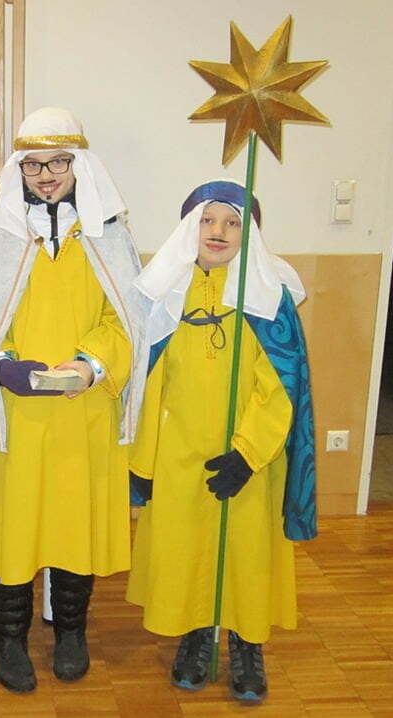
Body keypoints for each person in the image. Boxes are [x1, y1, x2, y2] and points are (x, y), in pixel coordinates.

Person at [0, 107, 149, 693]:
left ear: (79, 166)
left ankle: (71, 631)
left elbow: (126, 321)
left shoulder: (107, 235)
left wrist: (90, 365)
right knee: (13, 528)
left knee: (74, 524)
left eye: (59, 162)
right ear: (19, 169)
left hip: (83, 412)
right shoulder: (0, 236)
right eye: (34, 164)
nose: (46, 175)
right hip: (16, 415)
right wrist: (5, 363)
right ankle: (8, 637)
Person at [125, 180, 317, 704]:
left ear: (248, 234)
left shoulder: (268, 299)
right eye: (208, 220)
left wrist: (248, 453)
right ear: (190, 228)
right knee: (187, 548)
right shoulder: (167, 294)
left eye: (233, 223)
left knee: (246, 552)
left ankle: (247, 644)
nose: (219, 231)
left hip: (247, 459)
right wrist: (144, 460)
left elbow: (281, 387)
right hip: (179, 455)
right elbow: (151, 381)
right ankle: (196, 635)